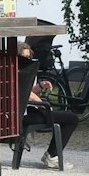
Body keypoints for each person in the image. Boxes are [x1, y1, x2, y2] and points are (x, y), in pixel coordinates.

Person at [19, 36, 78, 168]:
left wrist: (40, 86)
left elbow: (27, 91)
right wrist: (44, 105)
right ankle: (52, 156)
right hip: (25, 116)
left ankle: (51, 154)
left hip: (29, 112)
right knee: (72, 119)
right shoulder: (19, 72)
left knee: (67, 118)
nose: (27, 60)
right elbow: (25, 95)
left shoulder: (20, 71)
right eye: (24, 57)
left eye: (29, 57)